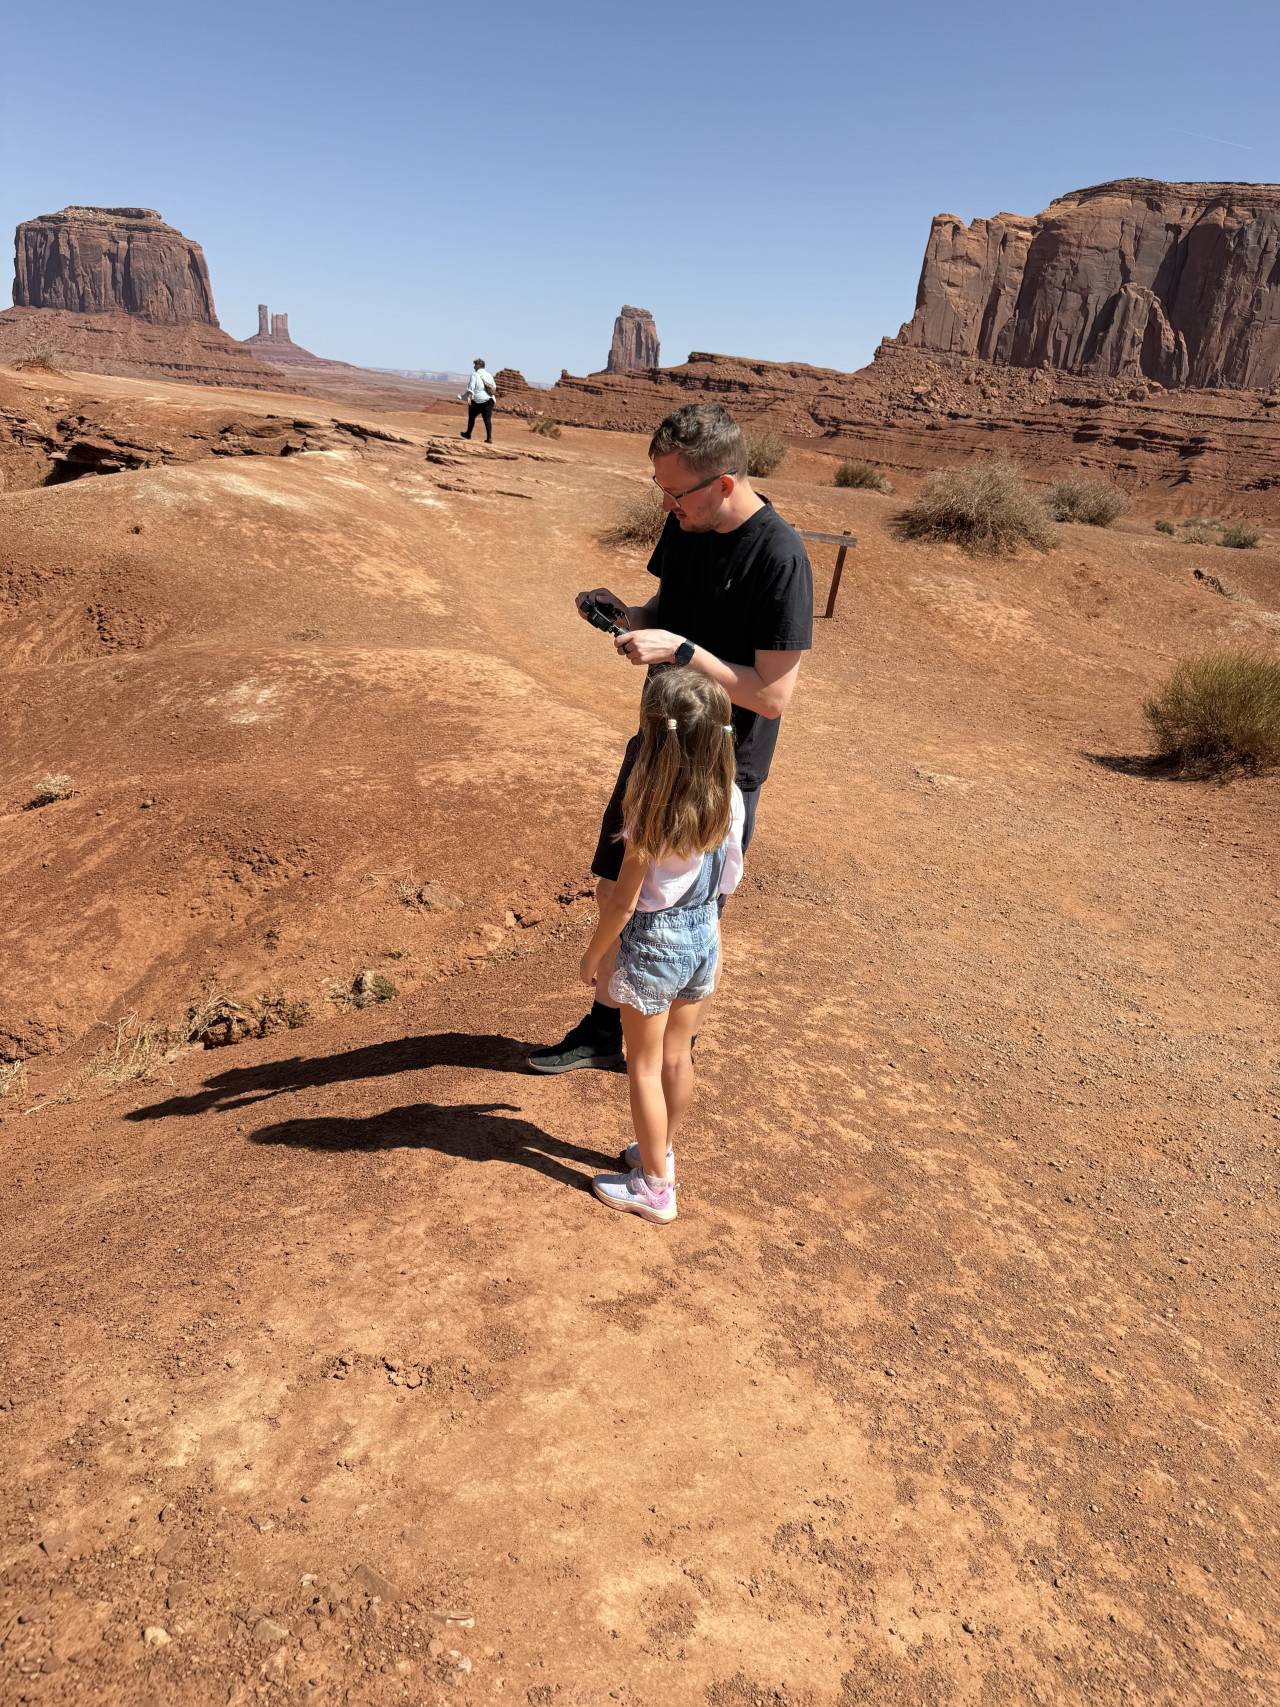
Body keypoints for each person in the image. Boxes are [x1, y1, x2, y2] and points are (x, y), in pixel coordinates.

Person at [527, 401, 812, 1075]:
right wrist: (629, 616)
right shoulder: (686, 522)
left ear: (723, 483)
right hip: (657, 744)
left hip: (721, 766)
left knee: (688, 909)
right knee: (615, 885)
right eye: (660, 489)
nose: (665, 504)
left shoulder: (780, 557)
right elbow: (668, 608)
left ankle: (672, 1049)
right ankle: (606, 1029)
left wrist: (683, 652)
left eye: (675, 492)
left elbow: (771, 696)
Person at [582, 668, 744, 1224]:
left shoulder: (650, 813)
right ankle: (661, 1150)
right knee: (677, 1056)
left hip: (655, 945)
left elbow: (622, 903)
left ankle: (655, 1189)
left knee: (643, 1067)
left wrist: (594, 955)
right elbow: (727, 878)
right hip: (704, 936)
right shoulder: (730, 800)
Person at [460, 358, 496, 442]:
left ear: (479, 365)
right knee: (487, 419)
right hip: (489, 400)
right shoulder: (489, 375)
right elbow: (494, 387)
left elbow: (471, 387)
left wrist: (468, 397)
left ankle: (468, 434)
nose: (474, 367)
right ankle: (489, 438)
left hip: (477, 400)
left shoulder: (475, 374)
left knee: (471, 417)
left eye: (475, 365)